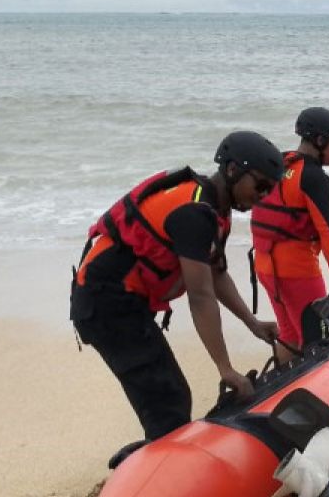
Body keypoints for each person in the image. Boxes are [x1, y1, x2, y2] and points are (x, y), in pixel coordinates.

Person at [71, 131, 284, 467]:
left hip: (125, 303)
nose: (263, 196)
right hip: (105, 305)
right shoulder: (195, 213)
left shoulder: (214, 209)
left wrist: (253, 323)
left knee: (166, 397)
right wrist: (225, 368)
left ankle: (151, 457)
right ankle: (157, 475)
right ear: (231, 171)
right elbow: (200, 296)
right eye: (259, 186)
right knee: (169, 399)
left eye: (270, 189)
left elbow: (216, 275)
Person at [251, 107, 329, 362]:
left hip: (265, 267)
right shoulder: (313, 177)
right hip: (297, 272)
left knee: (290, 336)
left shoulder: (279, 164)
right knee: (318, 344)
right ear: (320, 140)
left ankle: (280, 387)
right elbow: (328, 232)